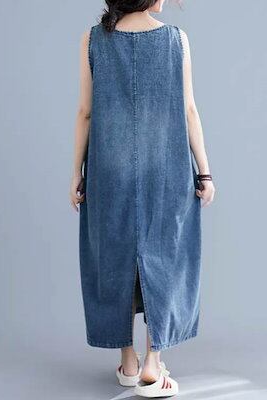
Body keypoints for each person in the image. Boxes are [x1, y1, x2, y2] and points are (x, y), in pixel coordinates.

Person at [70, 0, 215, 397]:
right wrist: (204, 172)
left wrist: (76, 173)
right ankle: (154, 361)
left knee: (113, 254)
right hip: (167, 170)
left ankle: (128, 361)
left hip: (108, 172)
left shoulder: (92, 40)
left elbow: (85, 113)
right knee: (166, 255)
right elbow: (189, 110)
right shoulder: (177, 40)